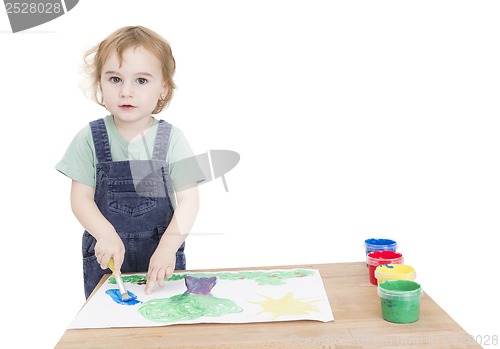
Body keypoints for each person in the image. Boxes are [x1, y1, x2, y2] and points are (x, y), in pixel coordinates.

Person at [56, 26, 204, 299]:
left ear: (163, 89)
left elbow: (189, 200)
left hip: (160, 261)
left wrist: (168, 248)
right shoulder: (89, 138)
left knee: (164, 326)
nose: (126, 92)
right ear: (100, 84)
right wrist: (104, 233)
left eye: (141, 81)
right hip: (107, 260)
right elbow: (80, 199)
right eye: (115, 79)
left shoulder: (172, 138)